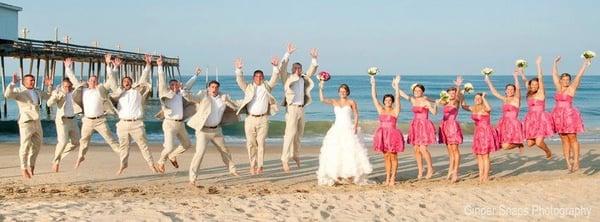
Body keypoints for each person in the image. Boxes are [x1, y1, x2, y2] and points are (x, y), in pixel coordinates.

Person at [181, 77, 240, 186]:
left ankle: (232, 170)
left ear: (218, 88)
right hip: (203, 131)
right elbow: (191, 98)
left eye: (216, 87)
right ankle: (192, 178)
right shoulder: (203, 95)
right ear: (208, 88)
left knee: (224, 150)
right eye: (212, 87)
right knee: (199, 154)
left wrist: (227, 101)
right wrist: (184, 92)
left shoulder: (223, 97)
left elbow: (235, 107)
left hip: (217, 130)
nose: (214, 89)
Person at [64, 55, 120, 169]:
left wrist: (112, 67)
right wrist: (68, 67)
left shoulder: (101, 89)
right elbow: (73, 79)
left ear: (97, 82)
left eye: (95, 80)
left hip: (100, 120)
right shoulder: (83, 90)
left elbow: (111, 80)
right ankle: (80, 157)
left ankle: (122, 154)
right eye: (91, 80)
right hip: (87, 121)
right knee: (83, 141)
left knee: (111, 140)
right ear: (88, 81)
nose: (93, 82)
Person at [316, 80, 372, 186]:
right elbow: (322, 99)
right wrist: (321, 87)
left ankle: (350, 174)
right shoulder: (334, 101)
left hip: (348, 128)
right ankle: (337, 174)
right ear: (338, 92)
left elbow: (356, 114)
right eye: (341, 91)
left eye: (344, 91)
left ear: (347, 92)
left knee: (350, 151)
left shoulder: (351, 102)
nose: (343, 93)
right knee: (336, 151)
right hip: (337, 129)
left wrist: (355, 126)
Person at [108, 54, 156, 175]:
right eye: (124, 81)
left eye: (128, 81)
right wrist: (114, 67)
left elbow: (143, 79)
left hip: (137, 123)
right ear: (122, 83)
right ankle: (122, 166)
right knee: (124, 147)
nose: (126, 83)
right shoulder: (118, 93)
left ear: (131, 83)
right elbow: (112, 80)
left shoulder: (137, 92)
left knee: (143, 146)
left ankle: (151, 165)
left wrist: (148, 65)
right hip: (123, 124)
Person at [234, 57, 280, 175]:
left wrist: (275, 67)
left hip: (263, 119)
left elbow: (274, 79)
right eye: (257, 76)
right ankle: (252, 165)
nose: (259, 78)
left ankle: (260, 166)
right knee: (250, 144)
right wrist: (239, 69)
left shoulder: (267, 87)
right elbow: (240, 81)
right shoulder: (249, 87)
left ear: (263, 78)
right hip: (250, 119)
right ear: (253, 78)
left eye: (261, 76)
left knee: (261, 143)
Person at [278, 43, 319, 172]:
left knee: (299, 134)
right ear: (292, 69)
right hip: (291, 109)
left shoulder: (303, 78)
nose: (297, 70)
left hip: (302, 108)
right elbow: (282, 67)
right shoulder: (287, 77)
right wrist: (288, 53)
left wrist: (313, 58)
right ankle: (284, 159)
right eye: (295, 68)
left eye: (299, 68)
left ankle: (295, 154)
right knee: (289, 134)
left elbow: (312, 70)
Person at [155, 56, 200, 173]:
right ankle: (161, 161)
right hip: (169, 123)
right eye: (172, 85)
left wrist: (196, 75)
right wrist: (160, 66)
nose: (175, 87)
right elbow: (161, 82)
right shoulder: (166, 94)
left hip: (180, 124)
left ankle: (172, 156)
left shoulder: (181, 93)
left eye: (176, 85)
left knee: (187, 144)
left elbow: (188, 85)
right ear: (169, 86)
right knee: (169, 147)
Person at [4, 72, 52, 178]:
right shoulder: (19, 91)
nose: (33, 82)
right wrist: (12, 83)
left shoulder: (37, 91)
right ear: (25, 82)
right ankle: (23, 168)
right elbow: (7, 95)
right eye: (31, 80)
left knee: (37, 145)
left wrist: (49, 85)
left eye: (34, 80)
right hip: (26, 122)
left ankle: (32, 164)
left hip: (37, 121)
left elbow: (49, 97)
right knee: (24, 146)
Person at [551, 56, 591, 172]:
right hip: (558, 116)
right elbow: (554, 74)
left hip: (569, 115)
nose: (566, 81)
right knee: (563, 139)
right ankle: (568, 163)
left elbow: (579, 75)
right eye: (563, 79)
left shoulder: (572, 88)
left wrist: (585, 64)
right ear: (561, 80)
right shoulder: (558, 88)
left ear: (569, 80)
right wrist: (555, 63)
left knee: (572, 138)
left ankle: (576, 161)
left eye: (567, 79)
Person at [397, 76, 438, 179]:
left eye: (419, 90)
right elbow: (402, 94)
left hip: (424, 126)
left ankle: (430, 168)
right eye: (415, 90)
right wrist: (396, 84)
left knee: (423, 149)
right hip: (415, 125)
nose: (417, 92)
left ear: (422, 92)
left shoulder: (426, 101)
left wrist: (434, 105)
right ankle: (420, 170)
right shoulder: (413, 100)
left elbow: (434, 113)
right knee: (416, 149)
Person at [370, 75, 404, 186]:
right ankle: (387, 177)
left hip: (393, 135)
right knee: (386, 157)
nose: (388, 101)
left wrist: (397, 85)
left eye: (390, 100)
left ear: (392, 102)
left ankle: (393, 177)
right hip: (383, 135)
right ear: (384, 101)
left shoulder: (395, 111)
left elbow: (398, 98)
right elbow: (374, 97)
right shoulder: (381, 109)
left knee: (393, 156)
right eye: (386, 100)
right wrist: (373, 83)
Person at [519, 56, 553, 159]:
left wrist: (538, 64)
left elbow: (540, 77)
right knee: (529, 143)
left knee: (538, 143)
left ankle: (548, 151)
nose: (534, 86)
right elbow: (525, 80)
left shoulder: (541, 92)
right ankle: (539, 140)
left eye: (536, 84)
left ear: (539, 85)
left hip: (541, 118)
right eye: (532, 84)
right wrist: (521, 71)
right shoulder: (529, 92)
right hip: (531, 119)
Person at [484, 68, 525, 152]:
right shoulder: (504, 99)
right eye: (508, 89)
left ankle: (519, 144)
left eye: (512, 89)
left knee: (505, 146)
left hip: (513, 124)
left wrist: (516, 78)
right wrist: (488, 81)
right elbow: (494, 92)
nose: (510, 91)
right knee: (501, 144)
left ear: (514, 91)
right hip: (503, 123)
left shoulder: (516, 99)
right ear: (505, 91)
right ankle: (518, 144)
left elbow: (518, 89)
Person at [461, 93, 499, 183]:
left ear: (482, 99)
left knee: (485, 155)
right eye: (476, 98)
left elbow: (489, 108)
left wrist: (484, 98)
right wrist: (461, 95)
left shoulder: (485, 108)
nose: (477, 99)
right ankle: (481, 175)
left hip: (486, 132)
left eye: (479, 98)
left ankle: (485, 176)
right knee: (478, 155)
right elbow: (463, 106)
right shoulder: (473, 108)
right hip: (478, 133)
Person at [47, 77, 80, 173]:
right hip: (62, 121)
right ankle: (56, 162)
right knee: (62, 142)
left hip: (73, 120)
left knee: (76, 142)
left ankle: (58, 157)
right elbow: (49, 104)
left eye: (69, 86)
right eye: (65, 86)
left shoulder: (74, 93)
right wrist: (55, 95)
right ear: (62, 86)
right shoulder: (58, 93)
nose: (67, 88)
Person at [437, 75, 464, 183]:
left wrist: (458, 86)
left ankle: (455, 173)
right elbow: (439, 102)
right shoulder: (446, 102)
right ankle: (450, 170)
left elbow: (458, 96)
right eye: (450, 93)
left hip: (452, 126)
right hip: (444, 126)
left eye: (453, 93)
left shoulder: (456, 102)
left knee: (455, 150)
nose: (452, 95)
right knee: (449, 151)